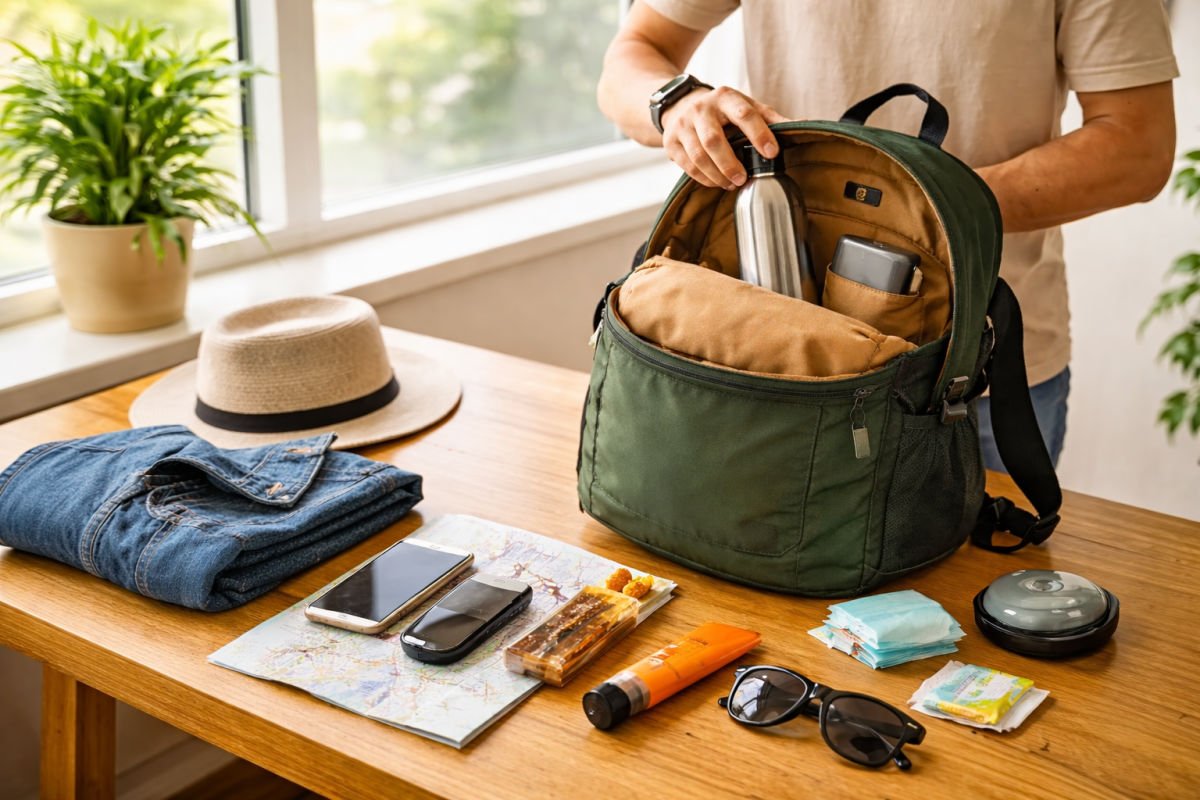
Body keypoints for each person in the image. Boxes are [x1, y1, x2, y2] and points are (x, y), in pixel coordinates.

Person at [596, 0, 1178, 470]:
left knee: (981, 583)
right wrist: (675, 102)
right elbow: (633, 54)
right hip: (772, 363)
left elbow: (1138, 148)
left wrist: (922, 205)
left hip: (976, 377)